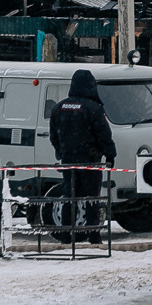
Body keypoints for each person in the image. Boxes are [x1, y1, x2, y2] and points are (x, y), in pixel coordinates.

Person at [48, 69, 116, 229]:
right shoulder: (93, 108)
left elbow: (53, 135)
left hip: (68, 161)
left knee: (69, 197)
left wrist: (61, 151)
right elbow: (104, 135)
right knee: (91, 198)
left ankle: (66, 234)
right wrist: (110, 155)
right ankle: (93, 234)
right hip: (90, 161)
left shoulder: (59, 107)